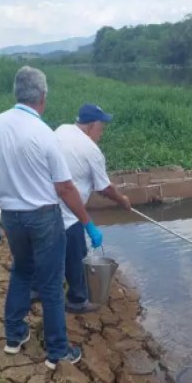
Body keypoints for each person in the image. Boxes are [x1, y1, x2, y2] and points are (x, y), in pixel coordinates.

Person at [0, 66, 104, 371]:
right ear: (42, 97)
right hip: (44, 218)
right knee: (50, 285)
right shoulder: (44, 134)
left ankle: (14, 336)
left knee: (21, 271)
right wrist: (87, 222)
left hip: (12, 217)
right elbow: (65, 187)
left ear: (17, 93)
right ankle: (58, 351)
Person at [55, 104, 131, 313]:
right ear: (90, 126)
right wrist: (122, 200)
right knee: (77, 253)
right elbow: (104, 188)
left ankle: (51, 286)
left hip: (45, 208)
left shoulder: (61, 130)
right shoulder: (91, 150)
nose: (102, 133)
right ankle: (77, 300)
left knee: (56, 253)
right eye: (101, 127)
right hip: (69, 212)